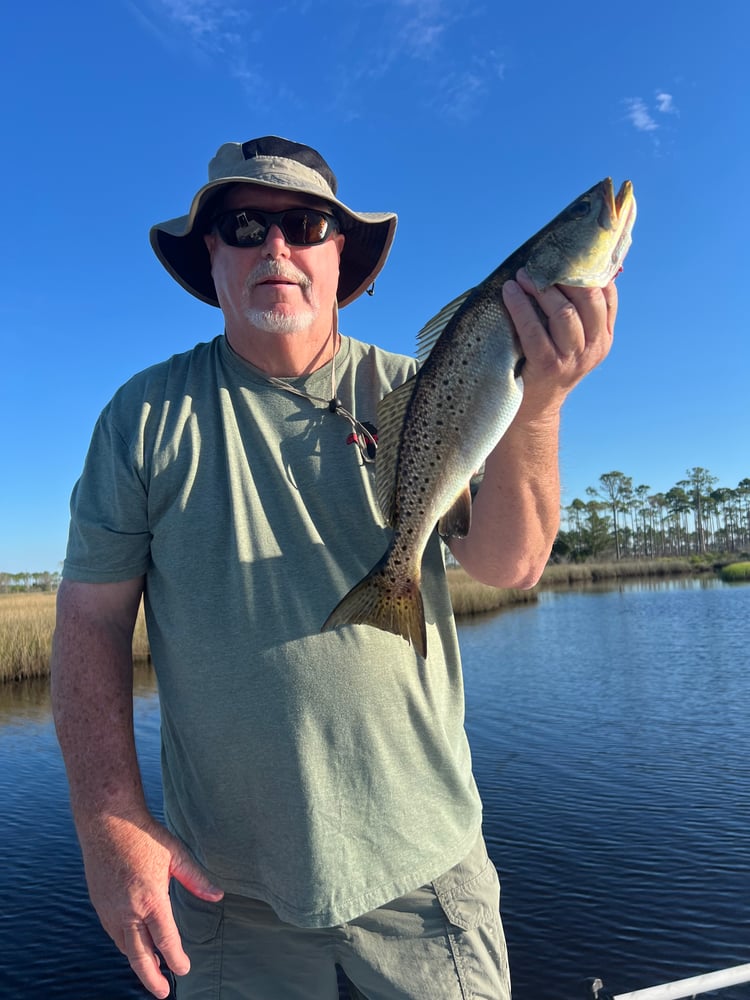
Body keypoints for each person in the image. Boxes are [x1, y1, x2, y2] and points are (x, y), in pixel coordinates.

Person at [52, 135, 617, 1000]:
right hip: (226, 889)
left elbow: (510, 565)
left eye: (304, 223)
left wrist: (540, 401)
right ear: (211, 254)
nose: (275, 246)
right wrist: (107, 823)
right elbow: (90, 623)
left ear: (338, 248)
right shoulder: (143, 417)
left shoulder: (417, 386)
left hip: (427, 873)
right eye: (245, 225)